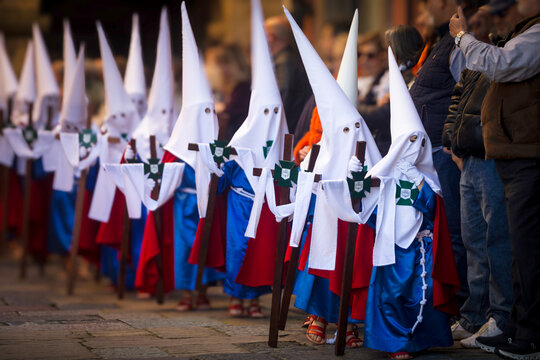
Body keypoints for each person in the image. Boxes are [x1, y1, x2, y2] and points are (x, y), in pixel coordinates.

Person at [450, 0, 540, 357]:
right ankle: (514, 325)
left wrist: (462, 38)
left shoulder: (533, 36)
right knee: (510, 247)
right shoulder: (517, 34)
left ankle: (524, 331)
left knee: (517, 246)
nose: (514, 6)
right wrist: (452, 139)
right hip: (502, 152)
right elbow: (462, 94)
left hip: (523, 153)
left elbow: (501, 66)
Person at [364, 46, 460, 360]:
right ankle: (396, 342)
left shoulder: (428, 177)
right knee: (392, 294)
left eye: (418, 142)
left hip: (421, 248)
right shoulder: (384, 175)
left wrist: (419, 184)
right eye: (408, 143)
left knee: (425, 293)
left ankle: (423, 338)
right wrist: (356, 180)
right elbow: (362, 206)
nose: (413, 149)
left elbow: (432, 208)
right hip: (394, 247)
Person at [442, 1, 519, 349]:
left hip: (492, 155)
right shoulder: (480, 57)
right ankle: (474, 313)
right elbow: (458, 97)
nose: (482, 22)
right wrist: (450, 142)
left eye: (492, 15)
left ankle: (499, 317)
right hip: (469, 156)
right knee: (474, 238)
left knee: (496, 240)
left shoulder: (505, 54)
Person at [409, 0, 469, 310]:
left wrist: (452, 141)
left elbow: (465, 91)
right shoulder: (441, 41)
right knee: (445, 230)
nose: (424, 7)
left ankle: (460, 306)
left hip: (444, 149)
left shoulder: (456, 41)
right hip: (431, 148)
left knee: (455, 230)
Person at [359, 25, 424, 156]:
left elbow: (386, 114)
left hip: (396, 150)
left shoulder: (411, 77)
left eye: (388, 49)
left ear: (400, 49)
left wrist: (354, 108)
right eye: (360, 54)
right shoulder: (399, 75)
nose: (385, 55)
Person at [264, 15, 312, 134]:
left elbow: (281, 99)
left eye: (263, 35)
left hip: (287, 131)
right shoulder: (289, 57)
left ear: (271, 37)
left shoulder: (284, 62)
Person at [357, 31, 388, 106]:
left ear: (383, 56)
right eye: (360, 54)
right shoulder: (358, 82)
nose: (362, 61)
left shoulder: (388, 81)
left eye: (370, 55)